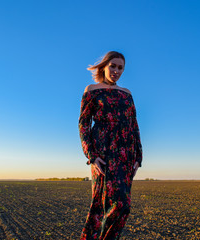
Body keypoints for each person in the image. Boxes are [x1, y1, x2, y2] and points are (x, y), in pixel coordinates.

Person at [79, 51, 142, 240]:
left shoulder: (127, 94)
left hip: (125, 154)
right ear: (104, 66)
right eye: (112, 66)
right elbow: (83, 124)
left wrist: (138, 157)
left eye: (120, 68)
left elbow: (134, 125)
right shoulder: (91, 90)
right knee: (100, 205)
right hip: (102, 153)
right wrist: (91, 155)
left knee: (123, 206)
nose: (116, 71)